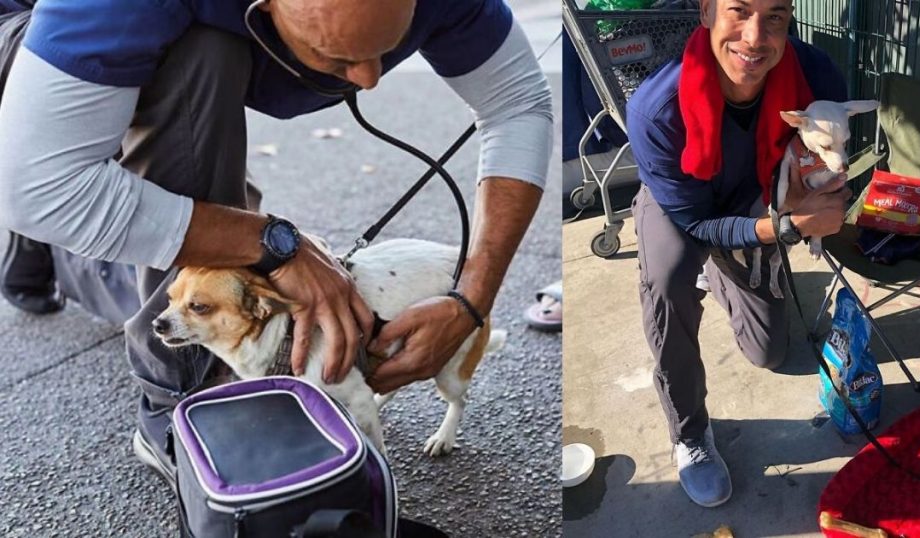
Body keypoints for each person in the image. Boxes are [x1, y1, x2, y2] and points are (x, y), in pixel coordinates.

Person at [0, 0, 552, 487]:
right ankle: (180, 400)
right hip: (36, 59)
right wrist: (272, 244)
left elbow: (519, 104)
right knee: (201, 56)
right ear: (262, 7)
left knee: (174, 258)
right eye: (335, 53)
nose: (367, 79)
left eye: (388, 46)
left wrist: (472, 298)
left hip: (98, 108)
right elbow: (31, 188)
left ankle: (49, 251)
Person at [626, 0, 850, 507]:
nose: (755, 36)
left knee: (768, 353)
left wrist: (818, 194)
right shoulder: (654, 107)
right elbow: (698, 221)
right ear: (706, 12)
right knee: (669, 274)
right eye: (738, 11)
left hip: (761, 196)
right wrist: (789, 225)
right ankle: (688, 432)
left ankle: (724, 271)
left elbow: (825, 166)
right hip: (685, 205)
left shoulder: (817, 76)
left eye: (774, 16)